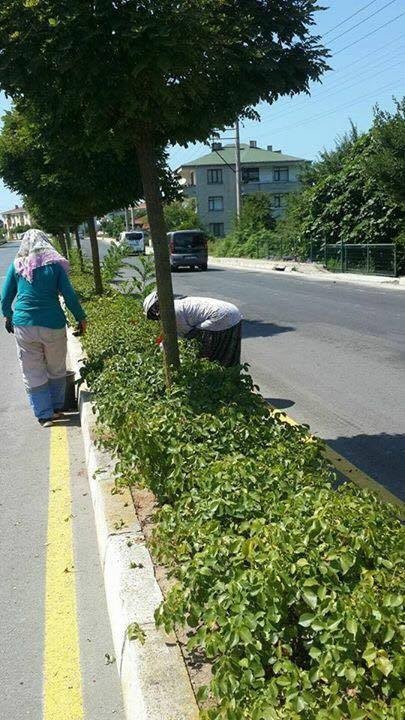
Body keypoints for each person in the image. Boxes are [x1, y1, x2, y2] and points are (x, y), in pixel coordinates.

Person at [1, 229, 87, 427]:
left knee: (32, 371)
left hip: (24, 326)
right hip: (53, 325)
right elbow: (69, 296)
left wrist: (8, 315)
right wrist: (81, 318)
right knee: (56, 368)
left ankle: (45, 415)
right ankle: (57, 408)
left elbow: (5, 297)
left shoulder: (17, 265)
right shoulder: (55, 266)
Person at [143, 291, 242, 367]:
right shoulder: (177, 304)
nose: (157, 317)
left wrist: (164, 348)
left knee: (203, 347)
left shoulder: (173, 311)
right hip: (233, 312)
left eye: (154, 313)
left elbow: (186, 335)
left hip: (222, 316)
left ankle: (216, 376)